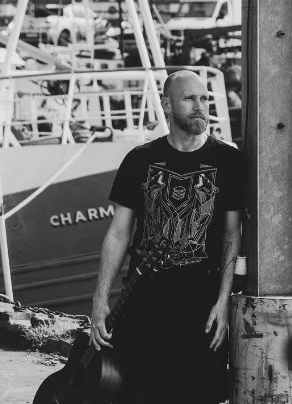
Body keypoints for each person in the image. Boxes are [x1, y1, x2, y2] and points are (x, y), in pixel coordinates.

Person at [90, 70, 245, 404]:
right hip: (143, 301)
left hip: (201, 306)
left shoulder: (229, 160)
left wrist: (223, 302)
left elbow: (232, 236)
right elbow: (118, 233)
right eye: (189, 99)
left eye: (204, 98)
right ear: (167, 104)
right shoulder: (140, 159)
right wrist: (100, 299)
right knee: (138, 396)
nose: (200, 106)